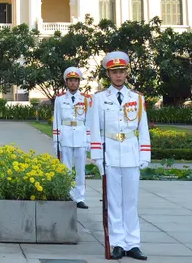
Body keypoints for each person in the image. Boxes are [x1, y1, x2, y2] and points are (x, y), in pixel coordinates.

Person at [89, 51, 150, 261]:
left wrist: (145, 154)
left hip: (131, 153)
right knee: (114, 202)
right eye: (114, 72)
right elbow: (94, 129)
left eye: (122, 71)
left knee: (131, 201)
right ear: (108, 74)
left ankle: (133, 243)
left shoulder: (137, 99)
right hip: (111, 154)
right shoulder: (99, 99)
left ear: (126, 73)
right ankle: (117, 243)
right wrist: (97, 157)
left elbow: (143, 129)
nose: (118, 76)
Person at [52, 66, 91, 209]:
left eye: (76, 80)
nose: (73, 83)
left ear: (79, 82)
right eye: (70, 80)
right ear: (66, 82)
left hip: (80, 136)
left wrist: (88, 140)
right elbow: (56, 120)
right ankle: (67, 195)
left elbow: (89, 122)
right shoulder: (60, 100)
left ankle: (80, 197)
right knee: (66, 169)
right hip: (66, 135)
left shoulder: (86, 99)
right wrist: (56, 141)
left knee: (80, 170)